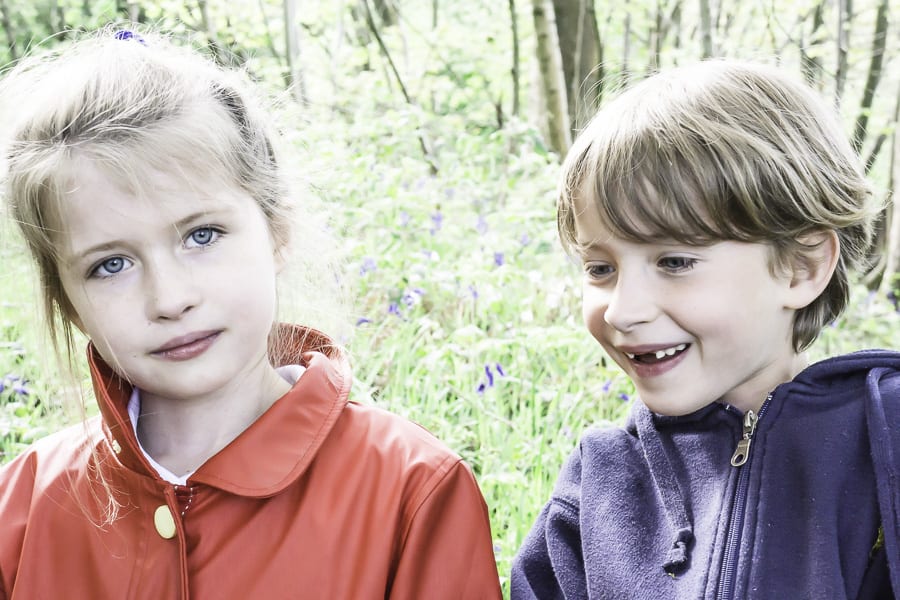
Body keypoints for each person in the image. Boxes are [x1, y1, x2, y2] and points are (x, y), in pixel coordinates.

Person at [0, 28, 501, 599]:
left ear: (277, 231)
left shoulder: (412, 492)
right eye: (111, 265)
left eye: (202, 235)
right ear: (68, 301)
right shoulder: (21, 508)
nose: (169, 299)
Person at [511, 59, 900, 599]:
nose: (623, 311)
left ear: (802, 267)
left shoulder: (884, 442)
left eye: (673, 262)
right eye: (601, 269)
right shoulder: (599, 483)